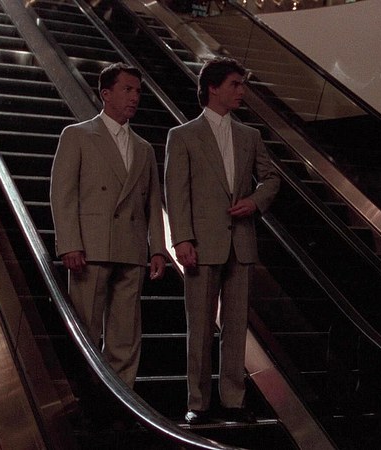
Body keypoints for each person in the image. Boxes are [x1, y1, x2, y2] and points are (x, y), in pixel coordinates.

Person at [164, 56, 280, 424]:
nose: (242, 91)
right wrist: (181, 239)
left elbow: (272, 178)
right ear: (213, 88)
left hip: (241, 243)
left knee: (236, 325)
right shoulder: (182, 135)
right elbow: (176, 193)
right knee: (199, 326)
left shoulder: (250, 136)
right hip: (201, 244)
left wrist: (255, 201)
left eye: (242, 84)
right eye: (235, 84)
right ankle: (198, 403)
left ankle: (234, 400)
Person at [50, 62, 167, 388]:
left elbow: (153, 203)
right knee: (86, 328)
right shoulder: (77, 135)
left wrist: (158, 249)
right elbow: (62, 194)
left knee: (126, 333)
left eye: (138, 91)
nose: (134, 97)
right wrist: (69, 243)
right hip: (91, 248)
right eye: (127, 89)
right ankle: (85, 394)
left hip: (132, 249)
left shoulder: (143, 148)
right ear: (106, 94)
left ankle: (121, 398)